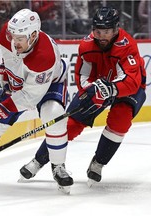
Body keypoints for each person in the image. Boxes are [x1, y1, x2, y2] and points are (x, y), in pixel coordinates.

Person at [20, 6, 146, 186]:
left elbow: (132, 80)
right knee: (70, 123)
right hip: (98, 86)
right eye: (98, 31)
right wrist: (90, 90)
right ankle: (38, 160)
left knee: (121, 120)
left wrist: (110, 89)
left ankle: (98, 163)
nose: (102, 36)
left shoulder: (127, 46)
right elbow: (82, 76)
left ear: (116, 29)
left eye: (107, 31)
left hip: (128, 89)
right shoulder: (87, 45)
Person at [0, 8, 74, 192]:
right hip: (25, 79)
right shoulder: (7, 34)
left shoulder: (44, 56)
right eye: (13, 36)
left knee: (53, 114)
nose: (14, 42)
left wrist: (3, 106)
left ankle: (58, 166)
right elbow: (10, 59)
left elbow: (31, 98)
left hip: (50, 83)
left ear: (33, 35)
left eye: (19, 38)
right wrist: (6, 72)